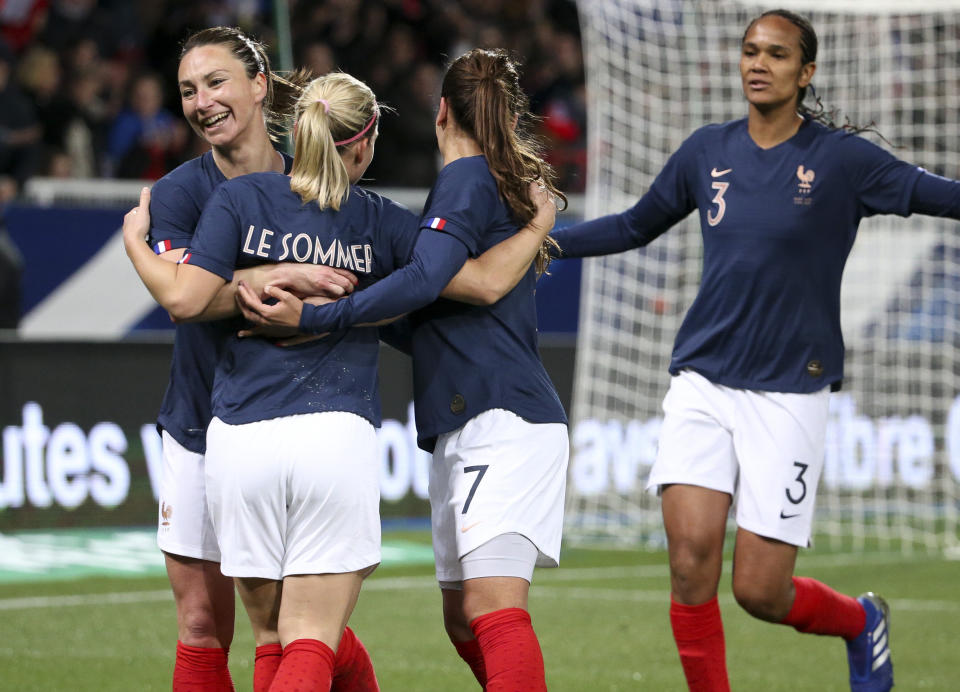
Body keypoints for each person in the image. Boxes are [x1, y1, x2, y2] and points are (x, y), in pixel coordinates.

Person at [509, 8, 960, 692]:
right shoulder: (706, 150)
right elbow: (635, 225)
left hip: (790, 391)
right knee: (690, 565)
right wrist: (538, 242)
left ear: (806, 73)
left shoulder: (842, 160)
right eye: (751, 50)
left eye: (777, 54)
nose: (758, 63)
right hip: (704, 382)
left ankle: (860, 621)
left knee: (759, 591)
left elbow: (937, 195)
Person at [236, 48, 570, 691]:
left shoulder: (465, 178)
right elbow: (453, 300)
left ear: (441, 110)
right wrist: (349, 303)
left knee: (491, 608)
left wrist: (315, 320)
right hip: (469, 416)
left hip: (500, 411)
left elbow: (426, 279)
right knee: (463, 619)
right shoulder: (483, 185)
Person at [142, 27, 370, 692]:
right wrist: (285, 272)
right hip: (200, 421)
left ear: (259, 85)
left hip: (297, 421)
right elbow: (190, 296)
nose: (201, 101)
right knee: (201, 624)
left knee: (301, 624)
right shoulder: (179, 194)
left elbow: (359, 281)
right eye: (187, 90)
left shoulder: (313, 178)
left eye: (215, 82)